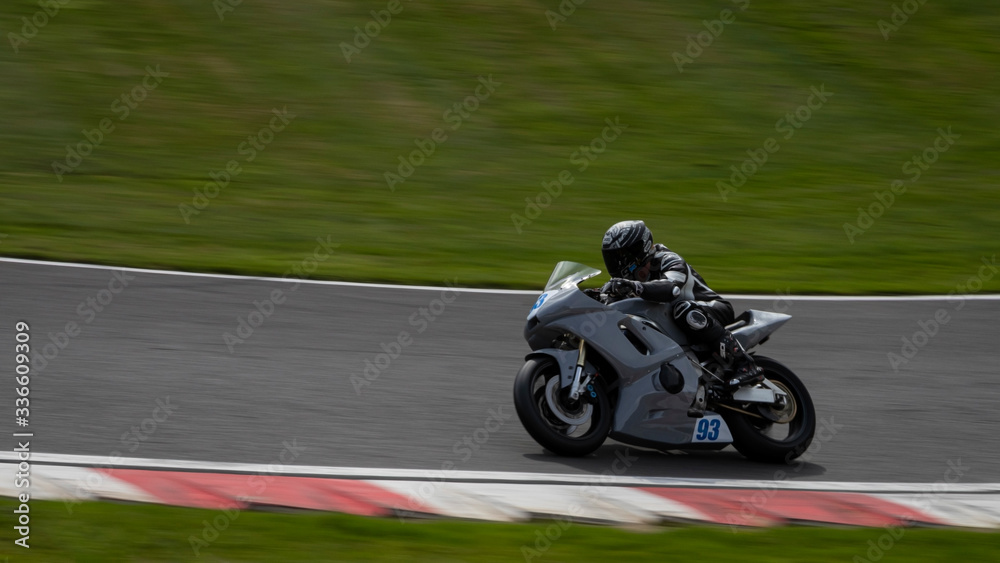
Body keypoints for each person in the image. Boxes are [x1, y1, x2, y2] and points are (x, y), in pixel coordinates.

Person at [598, 220, 763, 395]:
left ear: (638, 249)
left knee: (683, 310)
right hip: (675, 326)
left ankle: (744, 364)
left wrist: (636, 287)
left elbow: (671, 288)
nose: (616, 263)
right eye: (612, 258)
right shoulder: (628, 280)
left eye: (620, 256)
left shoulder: (667, 258)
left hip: (712, 309)